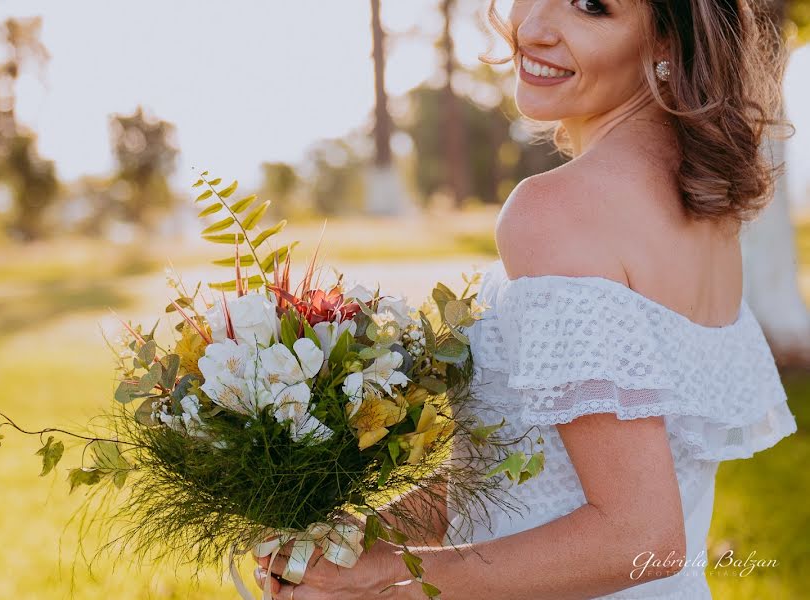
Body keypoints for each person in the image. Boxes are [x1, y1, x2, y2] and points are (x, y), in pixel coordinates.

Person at [255, 0, 797, 597]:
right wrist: (365, 545)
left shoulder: (555, 212)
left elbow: (641, 536)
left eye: (592, 6)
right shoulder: (707, 211)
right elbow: (531, 469)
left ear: (666, 42)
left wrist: (393, 590)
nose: (533, 27)